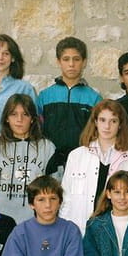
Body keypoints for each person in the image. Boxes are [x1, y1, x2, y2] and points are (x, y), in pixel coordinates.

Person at [61, 100, 128, 235]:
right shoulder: (76, 156)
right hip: (78, 231)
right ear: (95, 122)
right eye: (102, 120)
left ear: (120, 125)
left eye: (113, 121)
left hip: (115, 233)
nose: (107, 126)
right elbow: (65, 198)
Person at [0, 94, 57, 224]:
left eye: (25, 114)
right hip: (0, 220)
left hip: (36, 221)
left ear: (32, 119)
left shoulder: (48, 148)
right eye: (14, 114)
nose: (19, 119)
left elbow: (56, 190)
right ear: (6, 118)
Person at [37, 37, 102, 174]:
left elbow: (98, 134)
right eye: (66, 59)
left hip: (83, 163)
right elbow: (37, 131)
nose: (71, 64)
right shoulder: (45, 96)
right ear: (58, 62)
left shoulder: (94, 98)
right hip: (50, 162)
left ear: (84, 62)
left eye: (76, 59)